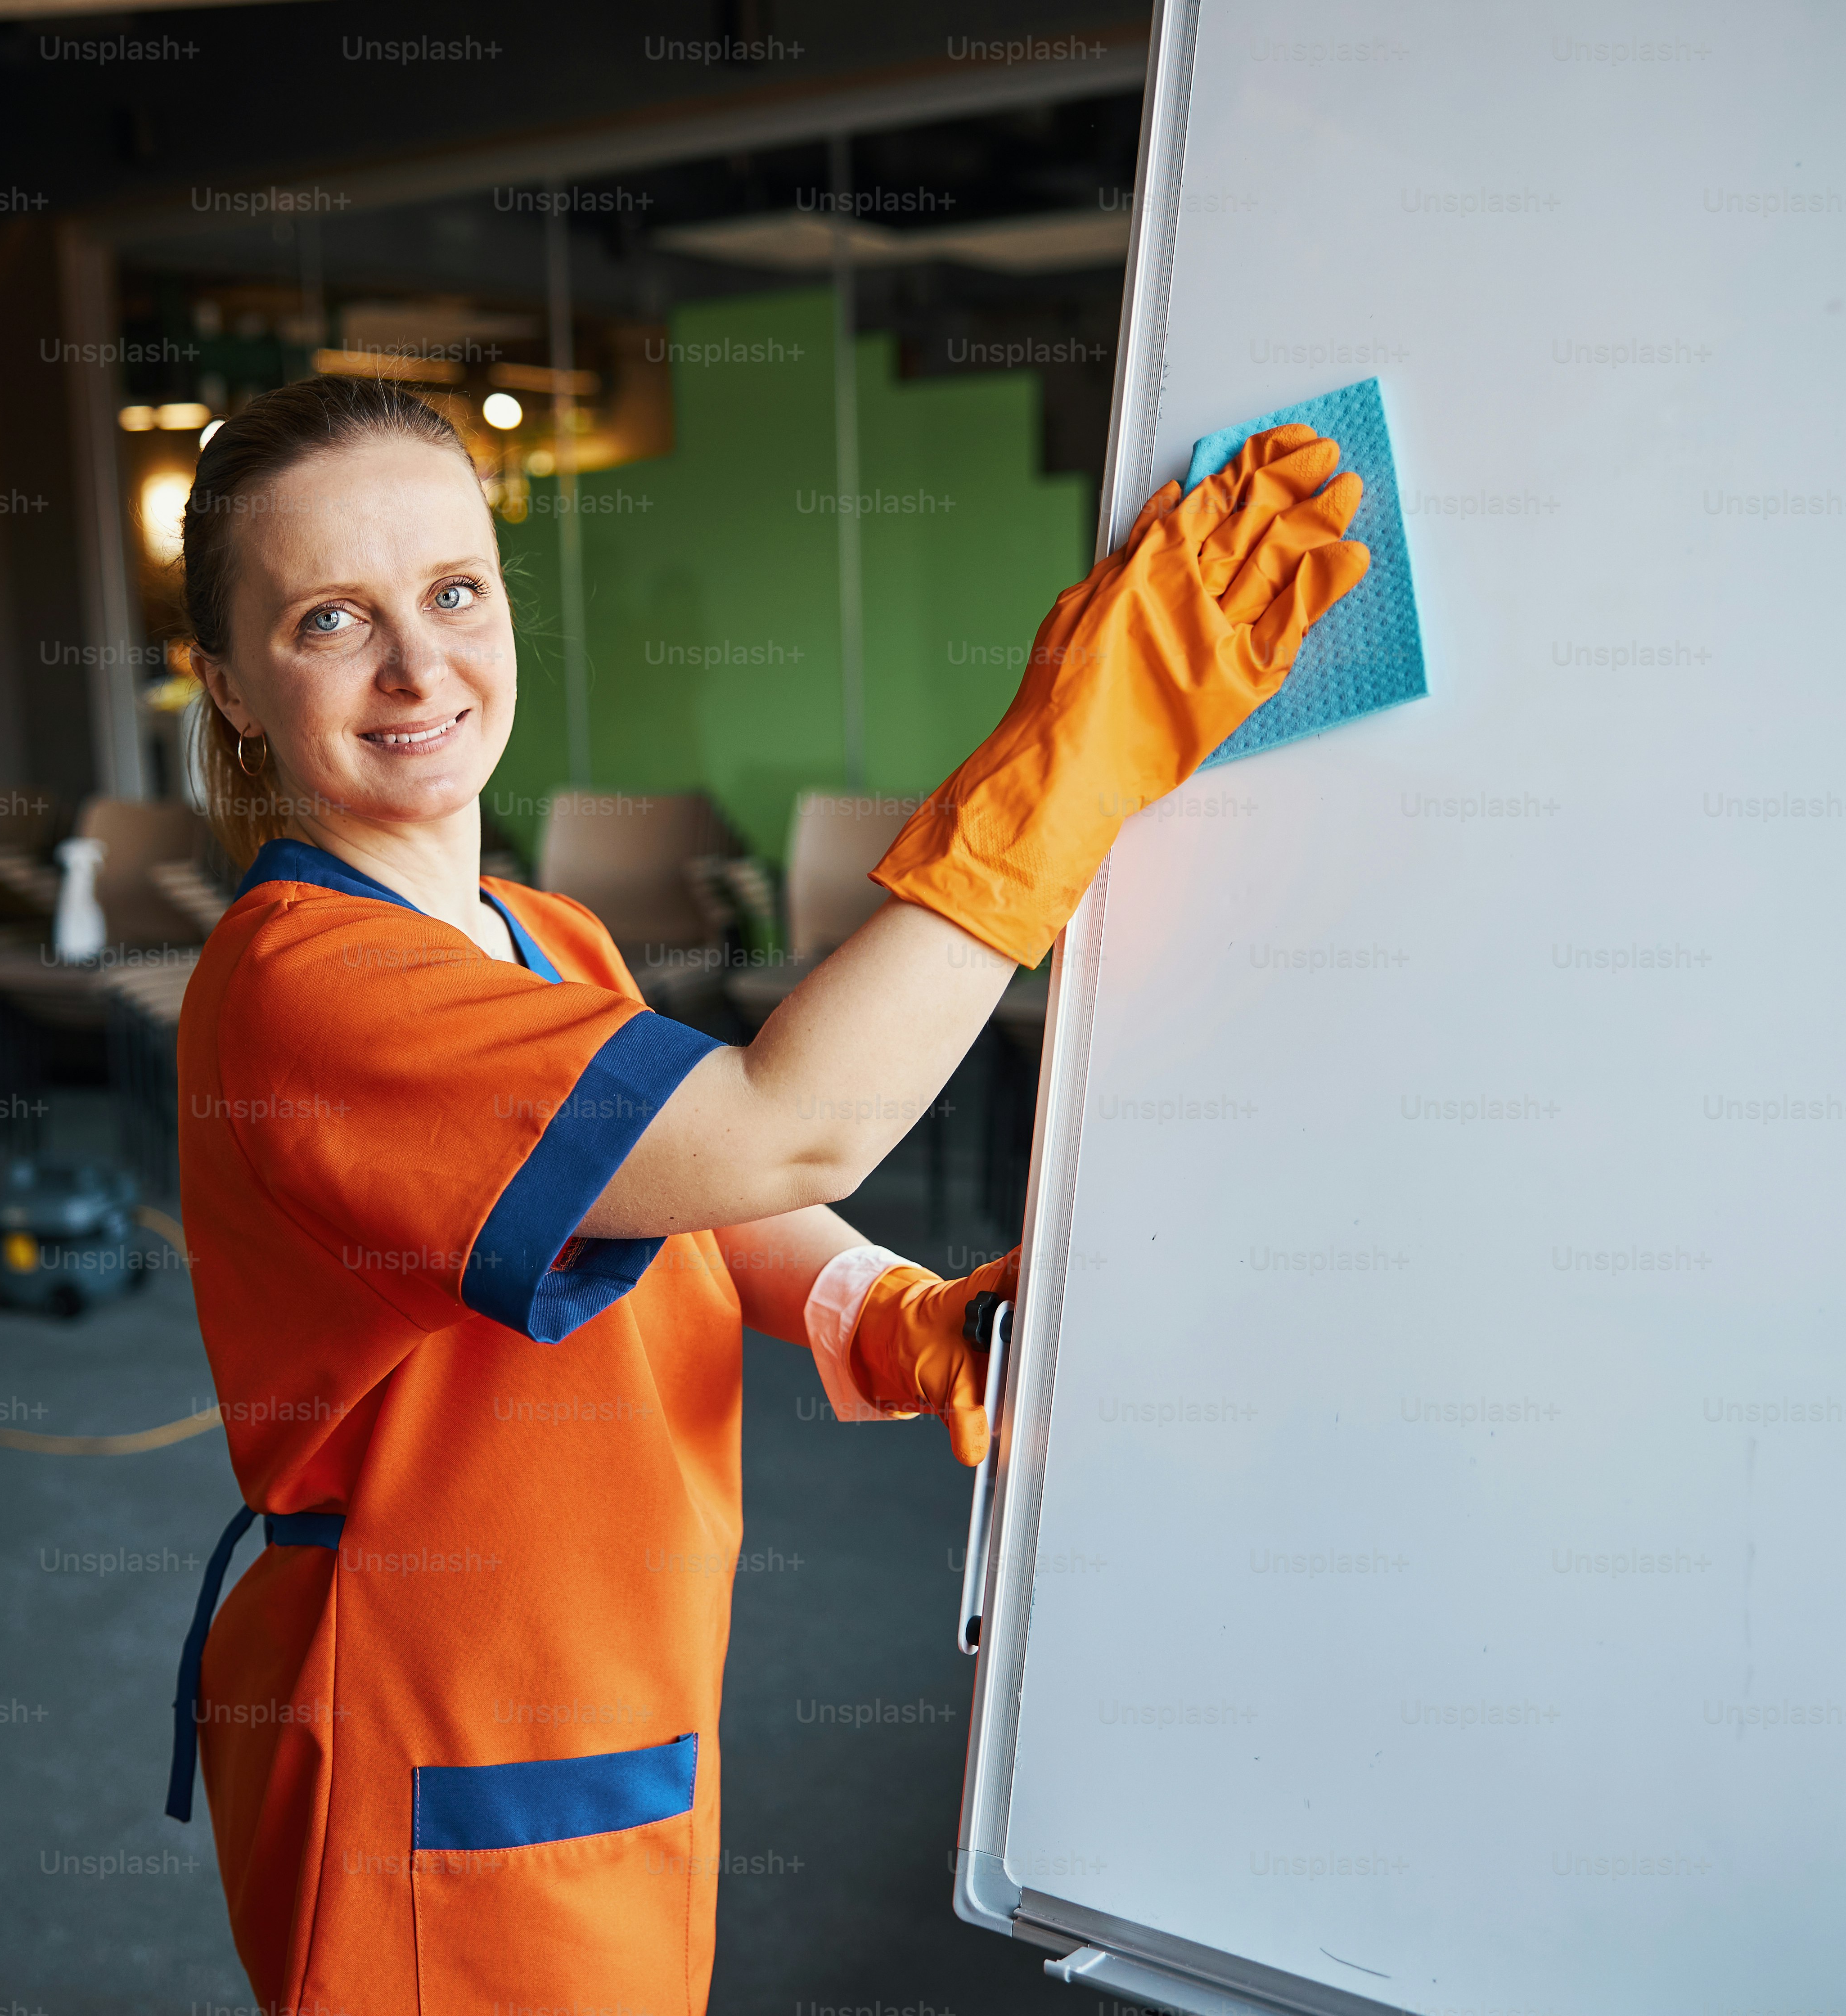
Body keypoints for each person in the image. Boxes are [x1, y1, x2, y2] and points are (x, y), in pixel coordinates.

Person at [164, 375, 1369, 2012]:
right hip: (439, 1741)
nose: (418, 665)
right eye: (329, 619)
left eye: (454, 591)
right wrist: (1079, 763)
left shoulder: (543, 934)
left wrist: (883, 1312)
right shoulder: (314, 985)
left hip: (598, 1703)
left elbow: (688, 1192)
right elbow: (781, 1127)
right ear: (228, 684)